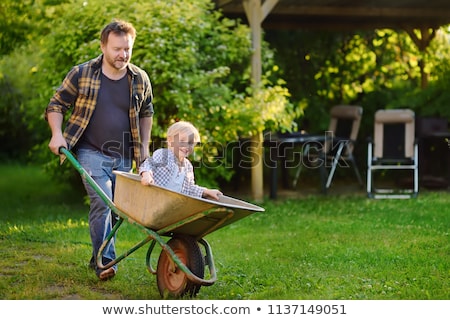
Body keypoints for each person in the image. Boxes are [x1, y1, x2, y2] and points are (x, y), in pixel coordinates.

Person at [45, 19, 154, 281]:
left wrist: (144, 151)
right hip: (89, 152)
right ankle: (106, 262)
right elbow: (56, 105)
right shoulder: (82, 73)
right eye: (117, 49)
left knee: (116, 208)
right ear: (103, 46)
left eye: (127, 49)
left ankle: (100, 255)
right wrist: (57, 134)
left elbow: (147, 113)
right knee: (102, 202)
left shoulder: (139, 78)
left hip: (124, 155)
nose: (123, 55)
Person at [139, 121, 222, 201]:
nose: (186, 146)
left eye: (190, 143)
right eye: (182, 141)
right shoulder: (163, 155)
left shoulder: (188, 166)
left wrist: (206, 191)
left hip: (170, 206)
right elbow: (147, 165)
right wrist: (146, 175)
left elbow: (189, 189)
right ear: (170, 141)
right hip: (153, 200)